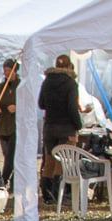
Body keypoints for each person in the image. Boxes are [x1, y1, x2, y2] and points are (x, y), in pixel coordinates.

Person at [39, 54, 86, 202]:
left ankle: (46, 194)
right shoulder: (71, 83)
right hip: (66, 127)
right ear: (69, 66)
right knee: (63, 161)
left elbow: (41, 104)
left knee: (49, 160)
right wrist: (78, 125)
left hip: (49, 126)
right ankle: (57, 193)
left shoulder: (47, 81)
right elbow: (72, 107)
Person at [0, 59, 19, 190]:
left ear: (15, 71)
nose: (6, 73)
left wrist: (17, 107)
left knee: (11, 156)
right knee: (7, 155)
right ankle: (10, 181)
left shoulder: (21, 87)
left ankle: (3, 181)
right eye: (5, 71)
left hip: (16, 126)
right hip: (3, 127)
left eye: (9, 70)